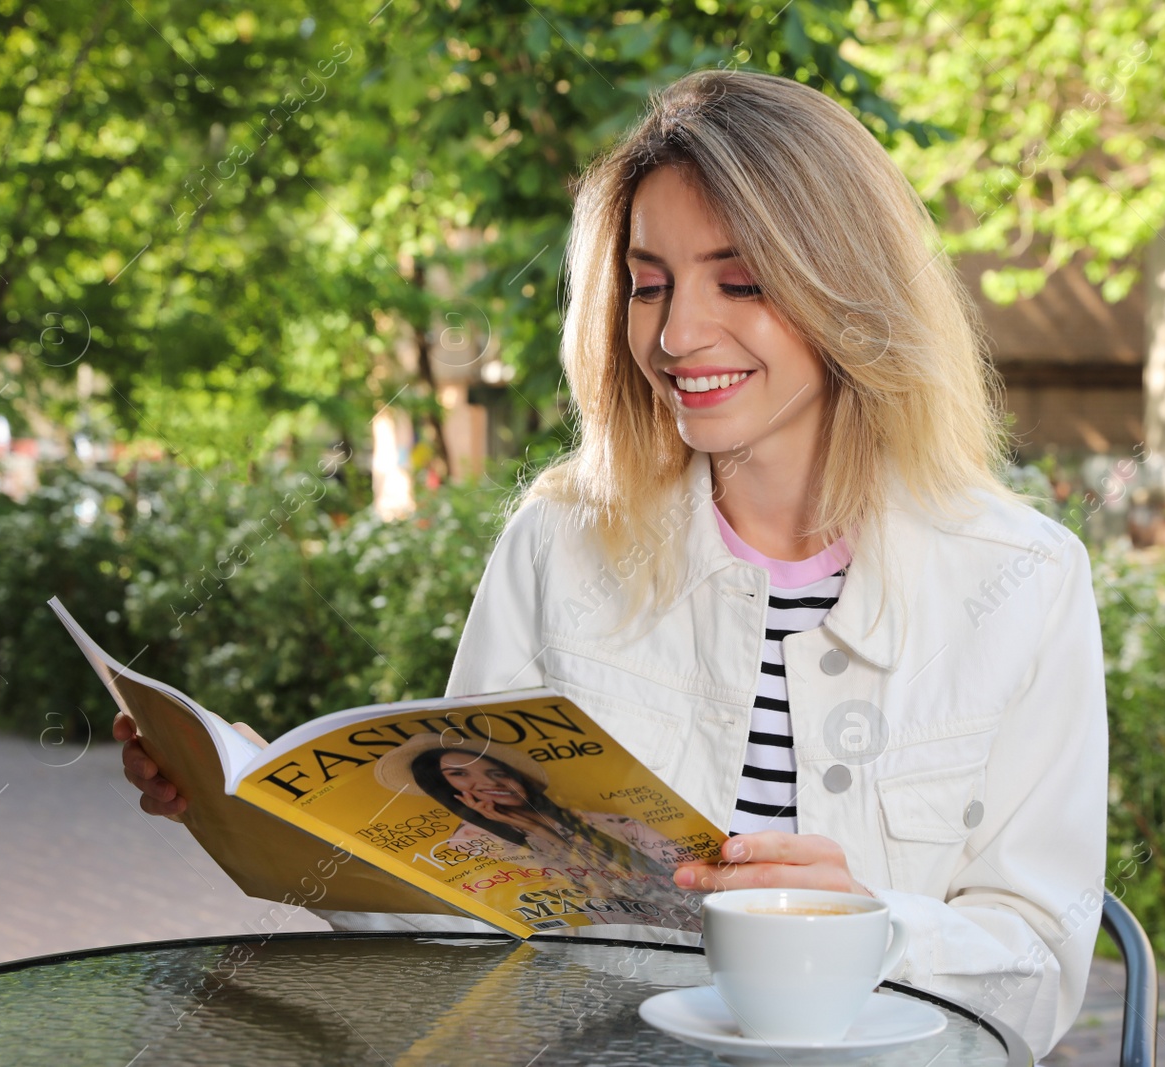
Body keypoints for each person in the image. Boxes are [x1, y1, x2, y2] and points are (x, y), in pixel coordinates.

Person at [118, 67, 1108, 1059]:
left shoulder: (1021, 580)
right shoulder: (557, 542)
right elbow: (465, 904)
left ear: (848, 288)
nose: (676, 334)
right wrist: (279, 813)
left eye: (740, 280)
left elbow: (1039, 968)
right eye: (647, 283)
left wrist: (865, 920)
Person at [377, 734, 701, 927]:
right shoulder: (466, 847)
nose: (490, 783)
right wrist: (535, 831)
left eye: (496, 771)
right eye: (461, 775)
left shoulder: (597, 821)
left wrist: (538, 826)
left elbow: (679, 880)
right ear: (445, 789)